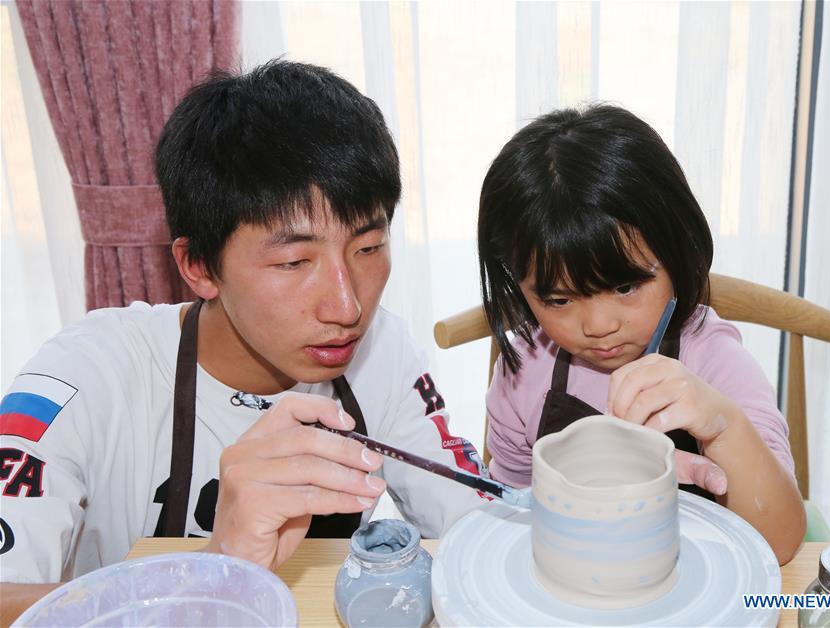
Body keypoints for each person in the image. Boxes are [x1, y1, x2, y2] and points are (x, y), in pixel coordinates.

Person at [0, 61, 484, 619]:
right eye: (293, 261)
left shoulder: (383, 351)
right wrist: (216, 571)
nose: (347, 307)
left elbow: (471, 521)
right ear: (200, 265)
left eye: (368, 248)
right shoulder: (84, 377)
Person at [477, 104, 806, 564]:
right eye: (558, 300)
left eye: (626, 286)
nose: (598, 325)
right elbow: (509, 514)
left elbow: (781, 538)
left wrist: (721, 425)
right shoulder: (524, 373)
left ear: (678, 249)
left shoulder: (711, 360)